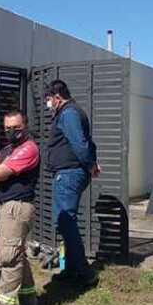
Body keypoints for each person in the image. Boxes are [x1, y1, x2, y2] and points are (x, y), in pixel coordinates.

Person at [0, 110, 40, 305]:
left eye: (16, 127)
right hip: (6, 207)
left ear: (25, 125)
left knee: (9, 257)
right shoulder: (7, 150)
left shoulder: (28, 148)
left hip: (17, 207)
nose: (11, 131)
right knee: (17, 255)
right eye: (7, 128)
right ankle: (29, 300)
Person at [45, 80, 100, 288]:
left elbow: (80, 143)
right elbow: (86, 141)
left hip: (69, 173)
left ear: (57, 97)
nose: (48, 104)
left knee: (65, 221)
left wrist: (90, 164)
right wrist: (91, 163)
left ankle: (85, 272)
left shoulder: (69, 113)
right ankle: (70, 269)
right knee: (65, 221)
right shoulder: (70, 112)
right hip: (69, 172)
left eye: (49, 100)